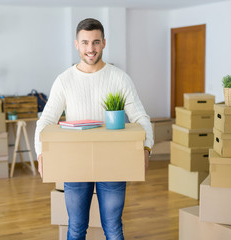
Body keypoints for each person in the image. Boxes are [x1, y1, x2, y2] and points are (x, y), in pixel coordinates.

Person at [34, 18, 154, 240]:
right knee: (77, 227)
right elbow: (46, 120)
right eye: (85, 42)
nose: (91, 49)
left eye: (96, 42)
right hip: (75, 163)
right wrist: (40, 153)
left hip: (113, 162)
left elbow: (140, 117)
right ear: (76, 44)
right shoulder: (64, 80)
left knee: (113, 227)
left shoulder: (119, 78)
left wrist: (146, 148)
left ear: (104, 43)